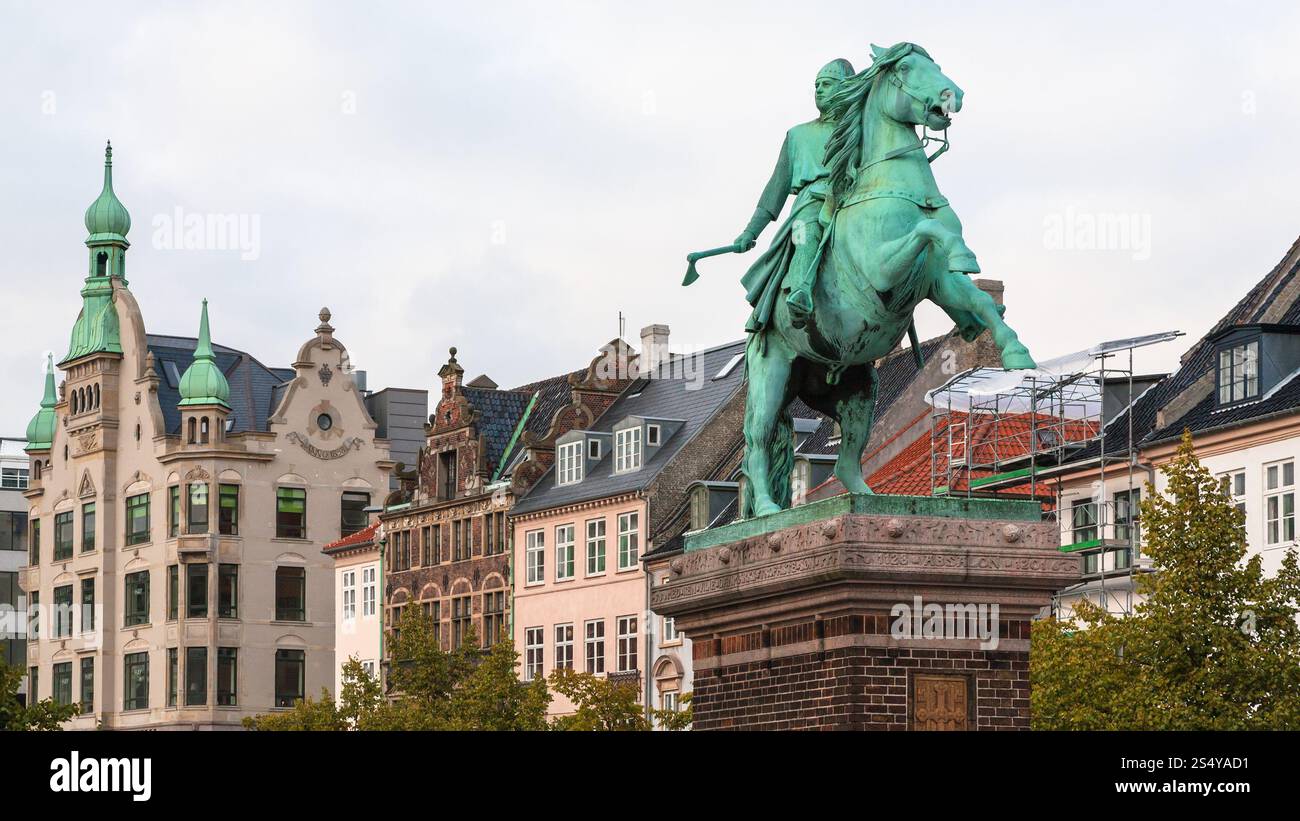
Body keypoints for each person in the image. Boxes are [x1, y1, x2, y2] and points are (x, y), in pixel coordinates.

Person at [736, 58, 854, 331]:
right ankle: (801, 290)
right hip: (811, 203)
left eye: (826, 84)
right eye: (817, 86)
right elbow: (774, 191)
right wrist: (750, 232)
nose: (819, 90)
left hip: (854, 198)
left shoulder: (859, 129)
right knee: (805, 233)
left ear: (846, 87)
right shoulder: (798, 135)